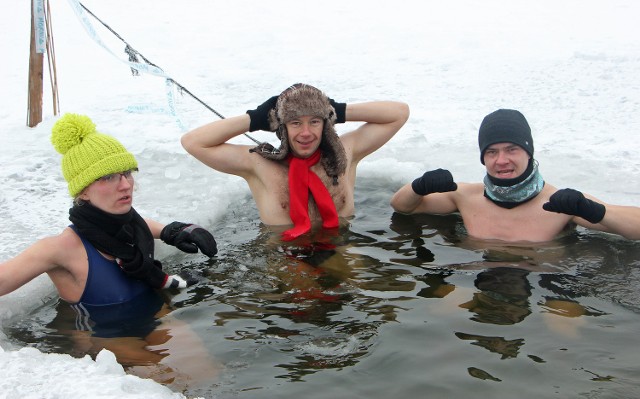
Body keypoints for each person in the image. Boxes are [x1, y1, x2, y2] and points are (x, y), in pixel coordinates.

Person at [0, 113, 218, 309]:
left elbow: (143, 223)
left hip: (155, 315)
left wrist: (174, 230)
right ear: (83, 191)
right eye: (108, 177)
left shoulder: (133, 226)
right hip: (105, 341)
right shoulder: (60, 249)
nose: (125, 185)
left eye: (127, 173)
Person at [181, 83, 410, 241]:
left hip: (341, 247)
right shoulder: (259, 165)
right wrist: (255, 118)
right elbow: (193, 142)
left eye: (314, 121)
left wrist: (335, 110)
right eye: (295, 123)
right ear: (282, 126)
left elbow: (399, 113)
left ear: (325, 124)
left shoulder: (345, 153)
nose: (306, 132)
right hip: (286, 256)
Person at [390, 109, 640, 242]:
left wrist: (594, 210)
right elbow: (403, 207)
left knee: (565, 327)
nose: (501, 160)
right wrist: (419, 186)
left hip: (545, 284)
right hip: (478, 276)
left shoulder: (561, 202)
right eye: (492, 152)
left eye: (512, 149)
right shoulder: (466, 196)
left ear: (528, 153)